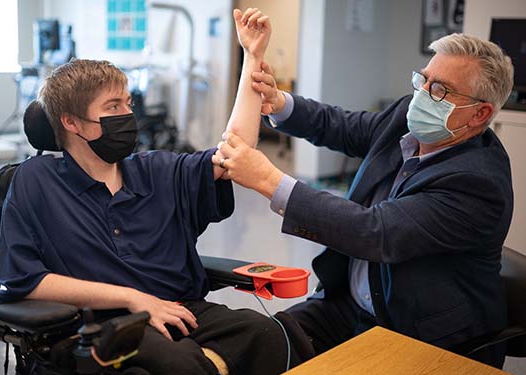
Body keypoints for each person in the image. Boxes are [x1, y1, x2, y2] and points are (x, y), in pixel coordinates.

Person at [0, 8, 299, 375]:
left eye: (128, 103)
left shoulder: (157, 170)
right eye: (113, 107)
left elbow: (235, 153)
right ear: (71, 122)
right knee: (178, 365)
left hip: (176, 309)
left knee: (271, 334)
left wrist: (252, 55)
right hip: (96, 326)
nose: (128, 116)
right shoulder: (34, 182)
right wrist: (132, 298)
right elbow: (25, 280)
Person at [214, 33, 515, 368]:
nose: (423, 95)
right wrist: (279, 102)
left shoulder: (477, 183)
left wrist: (268, 180)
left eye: (440, 90)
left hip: (416, 333)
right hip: (348, 307)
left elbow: (374, 232)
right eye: (423, 79)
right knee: (259, 343)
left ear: (479, 113)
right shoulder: (407, 116)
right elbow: (343, 127)